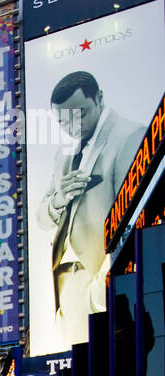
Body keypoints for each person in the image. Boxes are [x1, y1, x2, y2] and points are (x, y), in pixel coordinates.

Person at [37, 72, 145, 354]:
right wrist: (59, 199)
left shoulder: (128, 137)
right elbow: (42, 218)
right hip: (69, 298)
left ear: (99, 98)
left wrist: (100, 293)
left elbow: (134, 222)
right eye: (63, 122)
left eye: (80, 115)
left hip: (107, 294)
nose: (72, 127)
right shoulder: (63, 155)